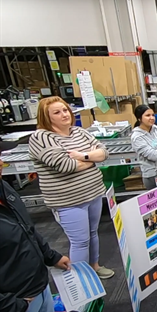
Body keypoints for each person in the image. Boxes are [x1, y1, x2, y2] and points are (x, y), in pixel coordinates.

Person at [28, 96, 115, 280]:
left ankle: (94, 266)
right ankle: (81, 281)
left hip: (93, 193)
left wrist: (81, 155)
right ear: (46, 117)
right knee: (80, 241)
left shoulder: (79, 132)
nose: (64, 114)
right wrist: (91, 159)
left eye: (65, 110)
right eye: (57, 112)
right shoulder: (41, 137)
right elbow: (65, 166)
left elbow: (104, 153)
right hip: (68, 201)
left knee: (93, 234)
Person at [0, 158, 72, 312]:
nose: (1, 162)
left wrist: (50, 256)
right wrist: (11, 306)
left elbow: (26, 228)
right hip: (15, 305)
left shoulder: (4, 188)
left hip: (39, 287)